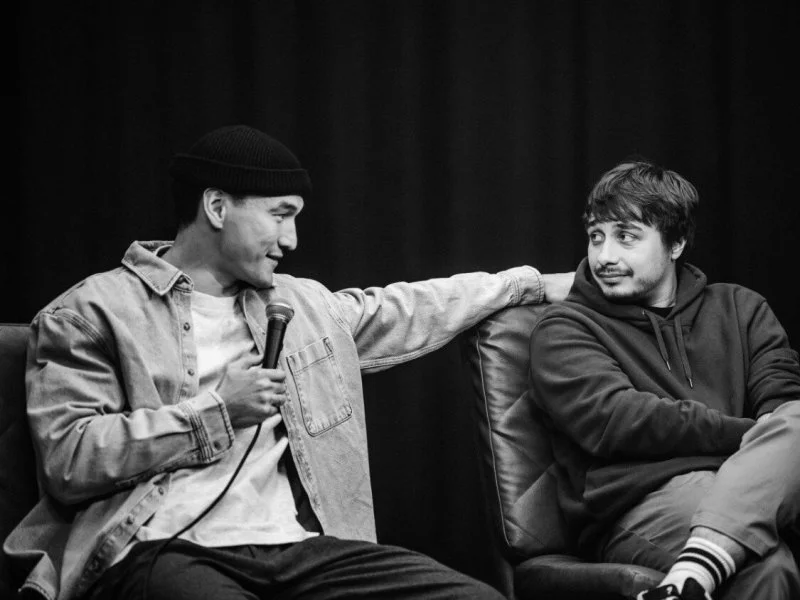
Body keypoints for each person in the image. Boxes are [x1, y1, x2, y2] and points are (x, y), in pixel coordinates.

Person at [3, 124, 574, 600]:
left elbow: (410, 307)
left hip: (297, 550)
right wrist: (216, 412)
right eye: (279, 215)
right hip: (160, 549)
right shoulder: (91, 312)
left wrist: (526, 284)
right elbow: (70, 458)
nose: (292, 239)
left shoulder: (301, 306)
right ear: (217, 206)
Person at [527, 159, 800, 600]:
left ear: (676, 243)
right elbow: (619, 420)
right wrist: (759, 439)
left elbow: (785, 404)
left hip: (750, 485)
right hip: (641, 502)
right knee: (765, 567)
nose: (604, 256)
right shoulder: (565, 328)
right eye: (596, 236)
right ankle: (700, 566)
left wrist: (772, 443)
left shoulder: (742, 309)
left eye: (626, 236)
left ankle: (691, 575)